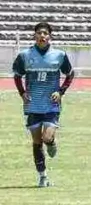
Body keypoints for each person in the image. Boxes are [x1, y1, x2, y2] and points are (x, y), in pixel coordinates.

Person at [12, 21, 74, 188]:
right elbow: (17, 75)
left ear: (50, 36)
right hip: (32, 104)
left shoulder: (59, 55)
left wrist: (60, 92)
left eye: (45, 33)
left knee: (46, 137)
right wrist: (22, 93)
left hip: (50, 104)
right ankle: (43, 176)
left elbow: (70, 74)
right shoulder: (25, 55)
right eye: (39, 33)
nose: (42, 36)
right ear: (35, 35)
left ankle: (52, 143)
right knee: (37, 141)